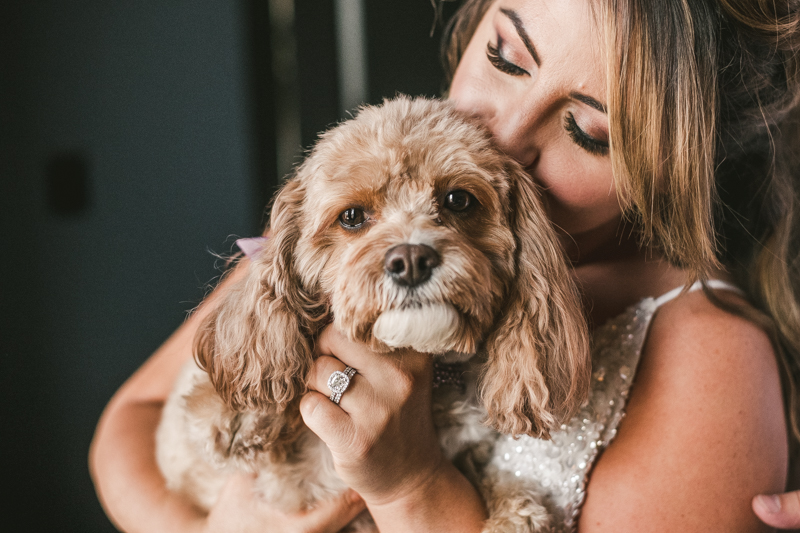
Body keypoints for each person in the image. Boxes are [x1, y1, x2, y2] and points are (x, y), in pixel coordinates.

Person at [89, 0, 800, 531]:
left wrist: (409, 486)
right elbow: (129, 420)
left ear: (675, 169)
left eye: (588, 132)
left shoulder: (713, 364)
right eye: (504, 57)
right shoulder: (354, 216)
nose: (505, 134)